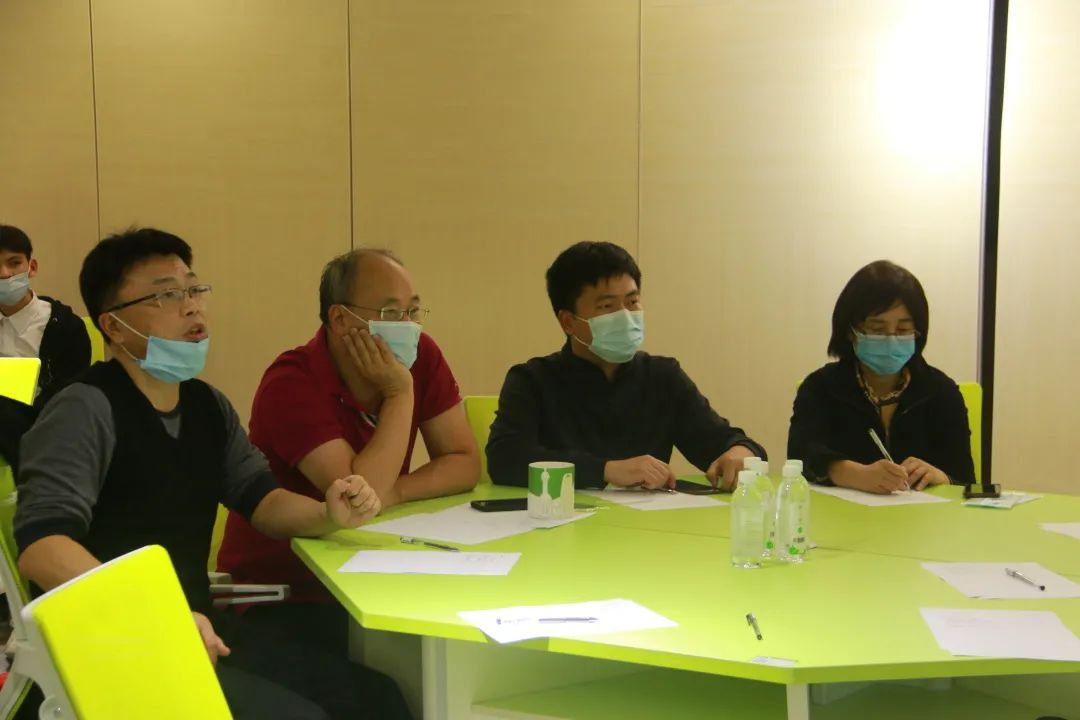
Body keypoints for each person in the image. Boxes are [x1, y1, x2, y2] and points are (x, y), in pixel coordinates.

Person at [14, 228, 411, 720]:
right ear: (113, 326)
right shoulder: (84, 408)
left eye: (194, 289)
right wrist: (161, 617)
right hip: (113, 643)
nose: (191, 307)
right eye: (166, 295)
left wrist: (327, 513)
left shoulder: (205, 405)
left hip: (198, 628)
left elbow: (262, 500)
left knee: (377, 698)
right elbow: (42, 546)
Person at [216, 248, 478, 650]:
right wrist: (400, 393)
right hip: (286, 593)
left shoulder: (421, 354)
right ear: (340, 319)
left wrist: (397, 491)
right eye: (391, 314)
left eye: (413, 311)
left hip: (377, 575)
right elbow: (358, 496)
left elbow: (464, 461)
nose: (408, 327)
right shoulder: (291, 382)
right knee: (391, 674)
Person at [487, 241, 765, 490]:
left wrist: (740, 453)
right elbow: (505, 459)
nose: (625, 316)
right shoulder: (532, 379)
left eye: (632, 302)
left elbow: (722, 441)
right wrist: (606, 470)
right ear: (568, 322)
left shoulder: (662, 376)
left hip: (647, 526)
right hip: (560, 523)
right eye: (607, 307)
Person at [787, 260, 975, 493]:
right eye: (877, 329)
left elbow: (966, 479)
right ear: (851, 331)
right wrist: (853, 474)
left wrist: (941, 477)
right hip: (842, 513)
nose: (891, 339)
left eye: (903, 330)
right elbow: (801, 457)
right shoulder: (821, 387)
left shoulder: (941, 391)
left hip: (923, 514)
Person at [0, 224, 92, 469]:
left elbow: (69, 396)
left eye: (14, 263)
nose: (5, 274)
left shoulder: (65, 327)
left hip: (46, 431)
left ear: (32, 267)